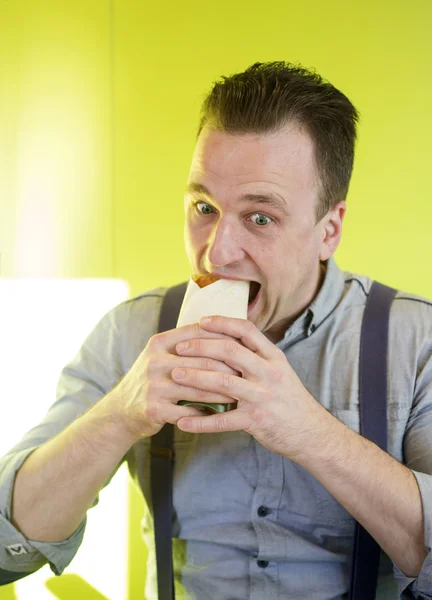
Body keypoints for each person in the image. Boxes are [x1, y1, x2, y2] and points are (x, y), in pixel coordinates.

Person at [0, 61, 431, 600]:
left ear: (329, 231)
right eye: (204, 207)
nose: (217, 252)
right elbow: (3, 546)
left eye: (260, 218)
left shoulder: (417, 342)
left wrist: (310, 432)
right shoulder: (131, 331)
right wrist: (119, 414)